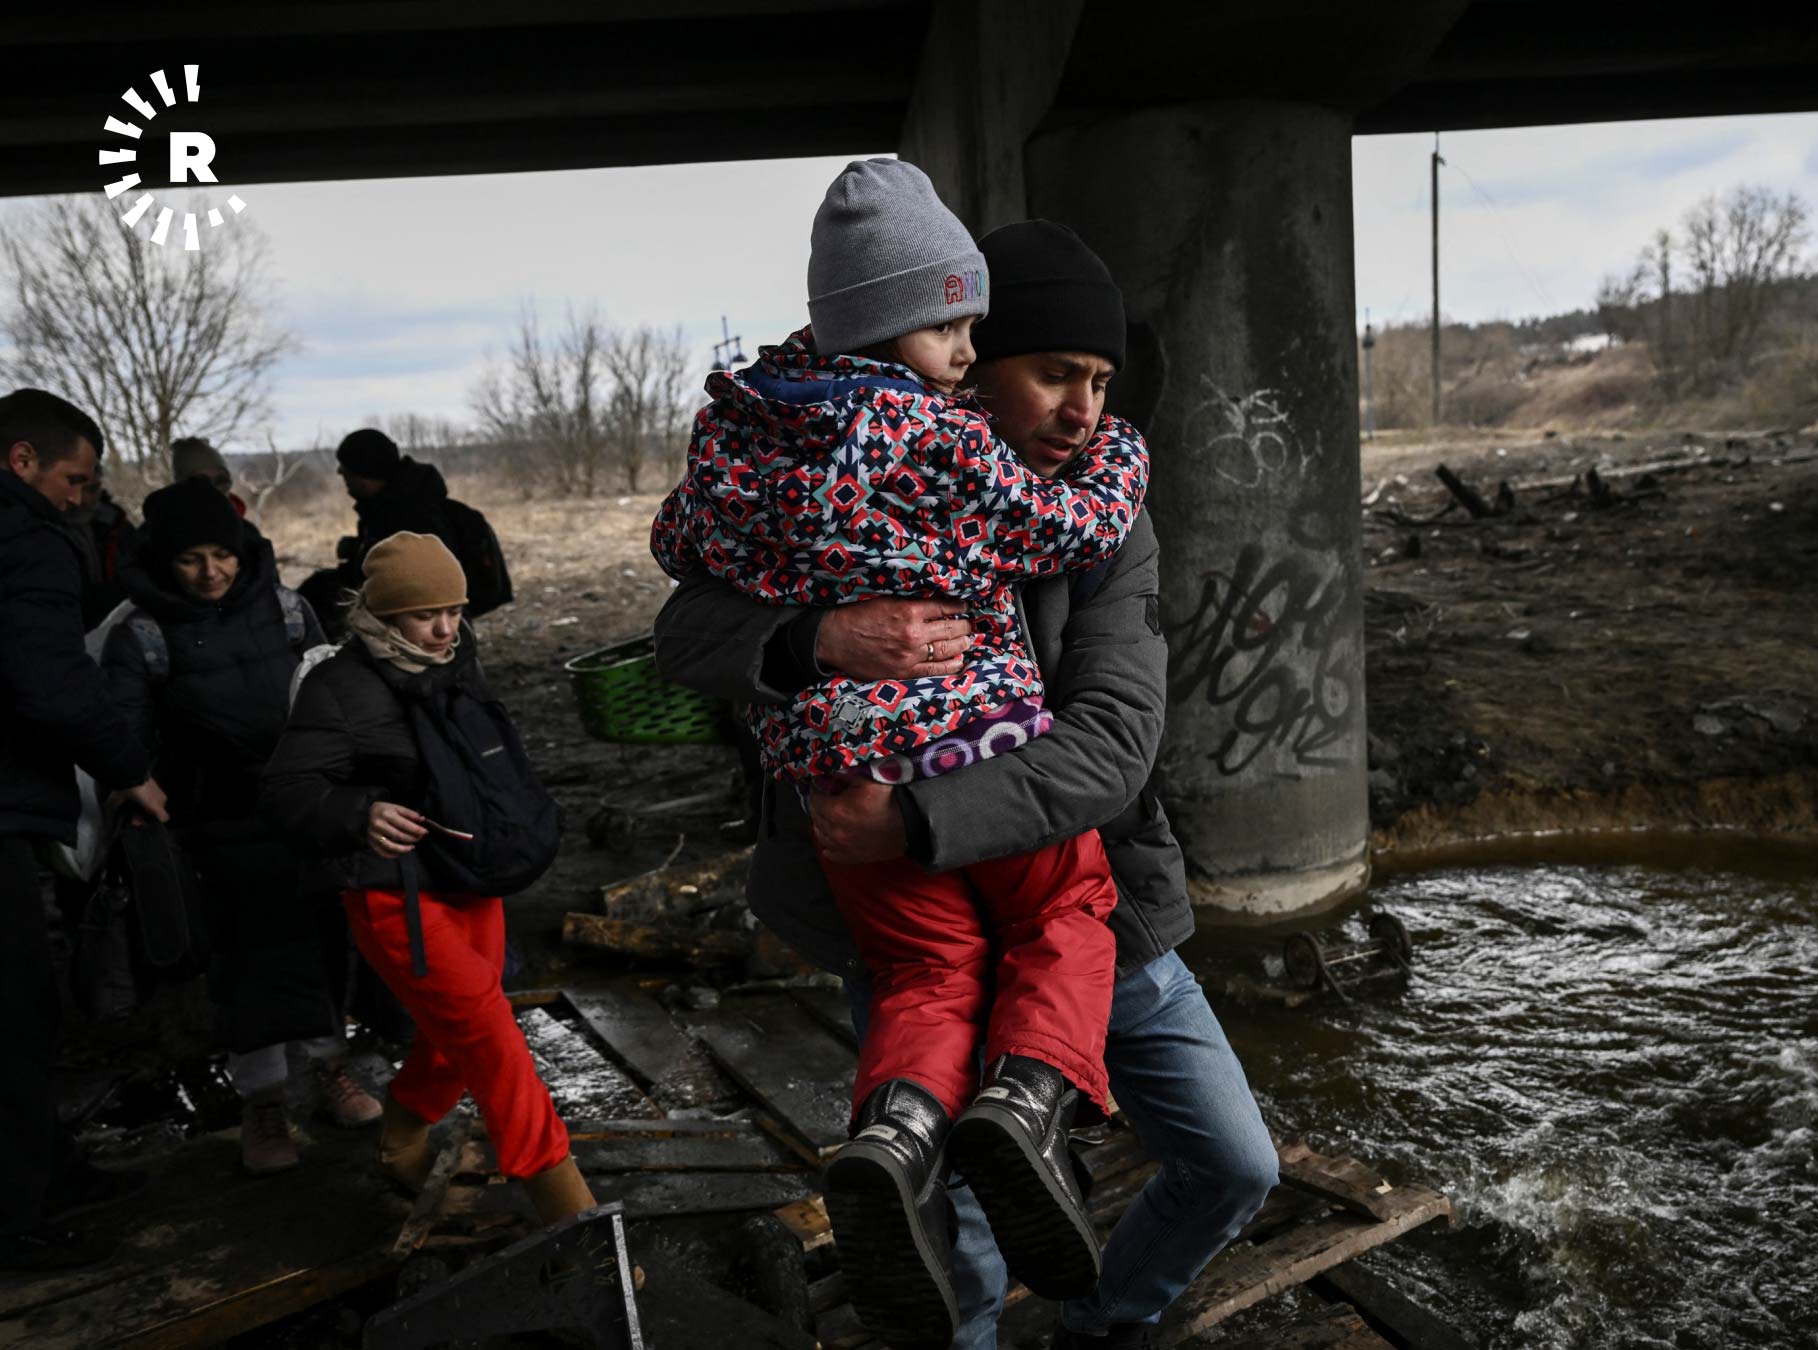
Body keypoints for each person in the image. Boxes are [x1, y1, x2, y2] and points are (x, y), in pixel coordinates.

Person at [655, 222, 1279, 1350]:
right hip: (894, 930)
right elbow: (682, 632)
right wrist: (819, 636)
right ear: (963, 357)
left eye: (1098, 383)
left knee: (1232, 1161)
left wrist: (912, 819)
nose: (1084, 412)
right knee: (952, 1222)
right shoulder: (838, 465)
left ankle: (1096, 1320)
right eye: (1054, 375)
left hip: (1081, 908)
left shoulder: (1102, 519)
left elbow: (1115, 744)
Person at [261, 532, 590, 1226]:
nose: (444, 628)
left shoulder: (454, 660)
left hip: (467, 876)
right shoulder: (337, 685)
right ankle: (571, 1213)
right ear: (383, 616)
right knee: (493, 1036)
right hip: (393, 895)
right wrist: (359, 809)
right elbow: (287, 789)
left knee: (457, 1030)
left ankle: (401, 1137)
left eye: (454, 610)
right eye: (424, 615)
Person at [101, 478, 381, 1175]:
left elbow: (330, 694)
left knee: (323, 943)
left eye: (220, 554)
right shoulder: (140, 634)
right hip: (213, 825)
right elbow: (124, 737)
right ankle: (264, 1104)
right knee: (245, 962)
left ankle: (330, 1071)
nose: (210, 571)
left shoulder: (288, 612)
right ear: (165, 559)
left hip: (302, 810)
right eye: (191, 558)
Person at [0, 388, 165, 1272]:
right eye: (76, 477)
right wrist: (130, 767)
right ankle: (19, 1215)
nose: (82, 496)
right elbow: (51, 680)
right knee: (17, 1012)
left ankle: (46, 1173)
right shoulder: (24, 539)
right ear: (22, 461)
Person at [296, 429, 510, 637]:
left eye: (347, 469)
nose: (340, 473)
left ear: (365, 472)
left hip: (422, 630)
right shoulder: (389, 507)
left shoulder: (408, 516)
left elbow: (418, 584)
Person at [63, 462, 139, 627]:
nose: (82, 499)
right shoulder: (39, 534)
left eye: (92, 489)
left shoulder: (117, 526)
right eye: (75, 488)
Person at [170, 435, 250, 518]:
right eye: (201, 480)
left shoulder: (245, 528)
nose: (217, 487)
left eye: (221, 477)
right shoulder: (170, 527)